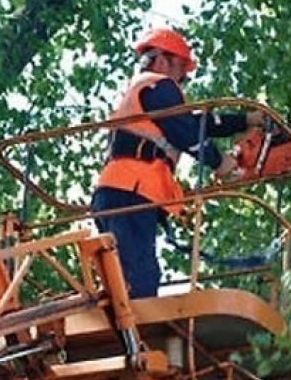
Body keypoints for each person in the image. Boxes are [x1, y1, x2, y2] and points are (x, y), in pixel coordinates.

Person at [90, 27, 265, 299]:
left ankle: (127, 331)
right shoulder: (157, 85)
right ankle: (135, 337)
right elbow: (183, 131)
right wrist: (219, 162)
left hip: (119, 191)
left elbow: (196, 123)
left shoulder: (145, 93)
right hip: (131, 191)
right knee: (140, 277)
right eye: (181, 70)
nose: (182, 80)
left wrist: (245, 121)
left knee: (126, 275)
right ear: (162, 59)